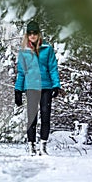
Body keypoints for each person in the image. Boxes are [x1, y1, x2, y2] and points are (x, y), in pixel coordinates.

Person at [14, 21, 61, 156]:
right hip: (31, 87)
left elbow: (53, 68)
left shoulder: (47, 49)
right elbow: (21, 72)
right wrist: (18, 90)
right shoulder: (24, 52)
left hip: (46, 86)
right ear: (27, 35)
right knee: (32, 118)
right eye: (30, 33)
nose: (33, 36)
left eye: (35, 33)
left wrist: (56, 85)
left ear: (39, 33)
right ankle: (31, 147)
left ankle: (43, 147)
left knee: (45, 116)